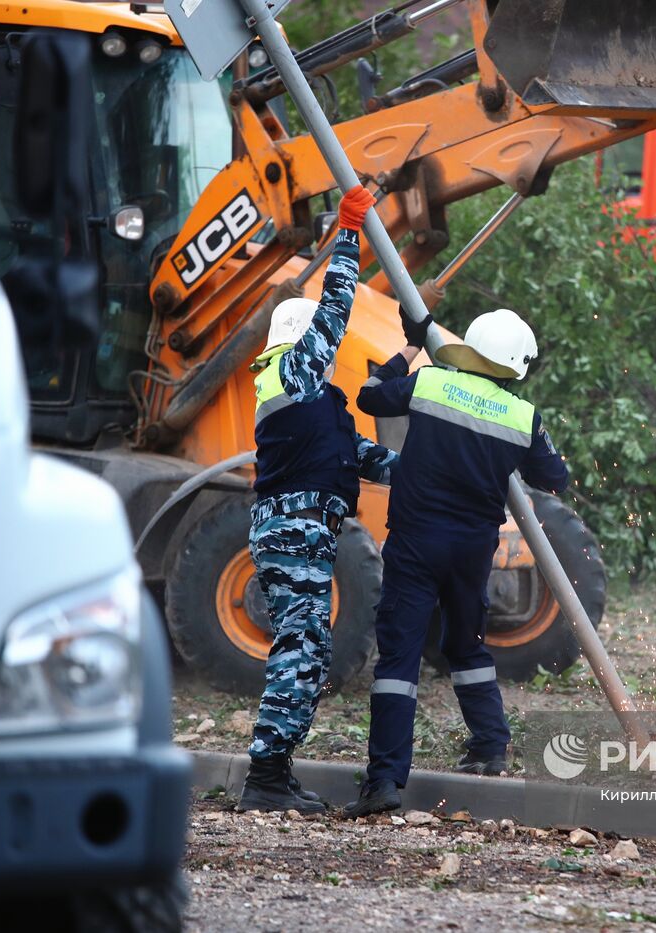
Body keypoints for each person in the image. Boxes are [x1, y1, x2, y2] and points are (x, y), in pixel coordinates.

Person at [345, 308, 570, 817]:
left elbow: (370, 394)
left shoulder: (430, 383)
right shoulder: (522, 417)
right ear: (516, 365)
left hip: (415, 543)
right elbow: (556, 478)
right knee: (465, 645)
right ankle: (490, 747)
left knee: (399, 660)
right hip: (471, 552)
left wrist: (409, 347)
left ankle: (383, 782)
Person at [236, 184, 397, 814]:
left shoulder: (318, 403)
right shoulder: (291, 372)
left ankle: (273, 773)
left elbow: (367, 459)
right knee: (302, 650)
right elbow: (335, 306)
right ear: (301, 343)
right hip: (292, 528)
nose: (332, 357)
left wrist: (441, 469)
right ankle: (266, 777)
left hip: (305, 531)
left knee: (308, 650)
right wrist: (349, 234)